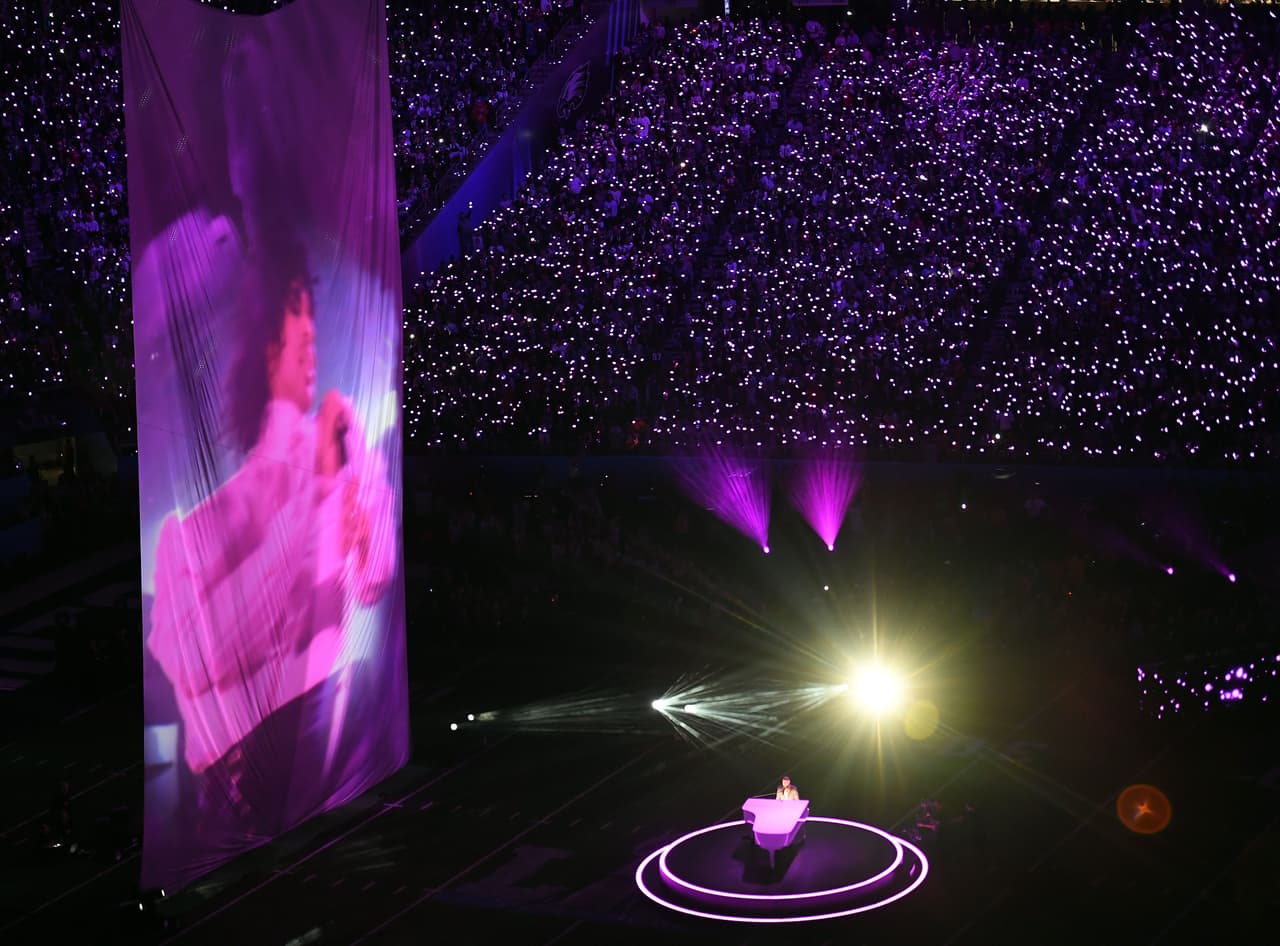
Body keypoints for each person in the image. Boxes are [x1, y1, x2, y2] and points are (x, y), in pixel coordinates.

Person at [146, 243, 396, 781]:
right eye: (292, 317)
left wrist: (358, 468)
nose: (310, 337)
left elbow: (375, 577)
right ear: (265, 350)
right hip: (239, 773)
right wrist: (321, 499)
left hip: (328, 737)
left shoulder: (336, 447)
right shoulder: (188, 538)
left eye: (309, 315)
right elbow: (202, 658)